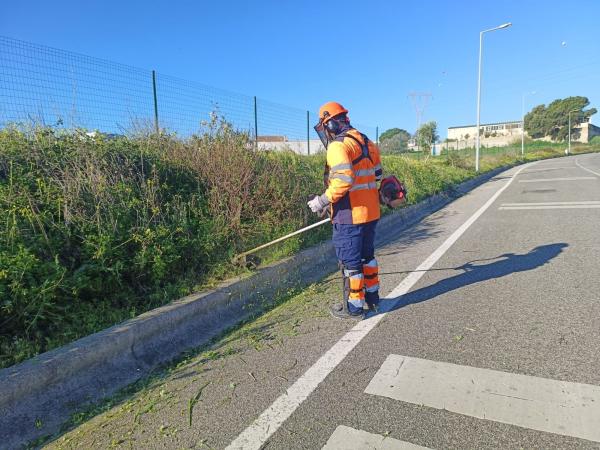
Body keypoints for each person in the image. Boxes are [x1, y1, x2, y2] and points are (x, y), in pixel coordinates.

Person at [308, 102, 383, 319]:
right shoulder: (367, 142)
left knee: (350, 263)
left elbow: (343, 180)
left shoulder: (338, 146)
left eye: (325, 126)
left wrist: (322, 201)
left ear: (330, 123)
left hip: (350, 216)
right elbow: (377, 175)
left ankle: (354, 307)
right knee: (367, 257)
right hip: (371, 213)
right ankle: (373, 299)